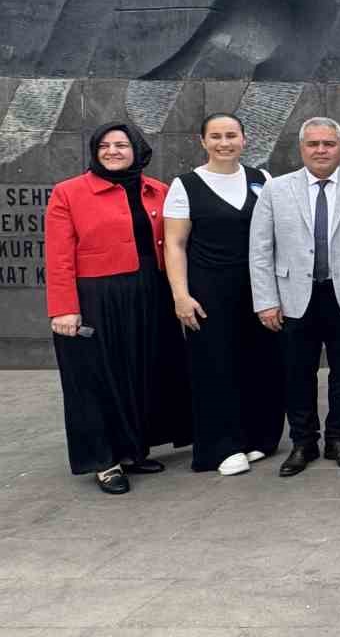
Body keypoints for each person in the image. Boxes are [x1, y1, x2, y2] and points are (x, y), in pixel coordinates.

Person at [45, 123, 190, 494]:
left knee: (140, 372)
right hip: (95, 297)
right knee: (95, 378)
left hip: (150, 294)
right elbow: (59, 256)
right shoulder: (69, 193)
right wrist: (64, 309)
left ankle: (132, 450)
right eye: (105, 145)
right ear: (94, 151)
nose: (113, 151)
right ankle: (103, 460)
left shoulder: (159, 190)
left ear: (136, 149)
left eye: (122, 145)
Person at [248, 117, 340, 477]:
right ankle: (303, 442)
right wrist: (265, 300)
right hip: (291, 297)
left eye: (329, 144)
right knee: (297, 373)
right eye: (313, 144)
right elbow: (260, 249)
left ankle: (339, 438)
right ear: (301, 148)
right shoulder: (275, 190)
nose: (321, 150)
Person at [163, 113, 283, 476]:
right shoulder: (185, 185)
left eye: (231, 135)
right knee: (215, 366)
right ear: (203, 142)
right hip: (209, 291)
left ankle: (258, 438)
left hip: (257, 288)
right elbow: (174, 244)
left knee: (260, 362)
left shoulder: (262, 179)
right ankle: (221, 446)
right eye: (215, 136)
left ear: (244, 139)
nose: (224, 142)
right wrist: (180, 296)